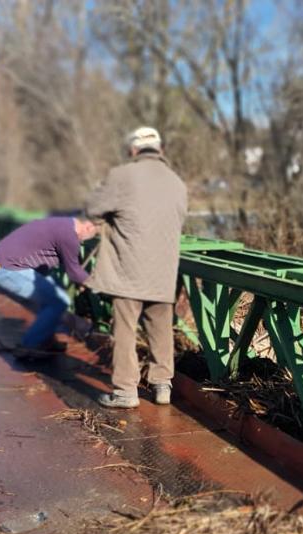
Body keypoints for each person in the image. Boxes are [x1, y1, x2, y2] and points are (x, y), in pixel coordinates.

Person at [86, 127, 187, 409]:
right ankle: (162, 385)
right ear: (160, 150)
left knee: (125, 330)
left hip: (128, 267)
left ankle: (125, 392)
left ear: (133, 151)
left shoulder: (122, 175)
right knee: (161, 328)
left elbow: (93, 208)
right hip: (164, 269)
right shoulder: (177, 182)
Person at [0, 215, 99, 358]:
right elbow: (75, 272)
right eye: (87, 237)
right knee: (59, 301)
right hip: (8, 269)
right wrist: (99, 286)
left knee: (54, 293)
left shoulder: (63, 223)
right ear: (88, 227)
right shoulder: (70, 235)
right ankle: (30, 345)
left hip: (4, 263)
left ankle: (45, 340)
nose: (82, 242)